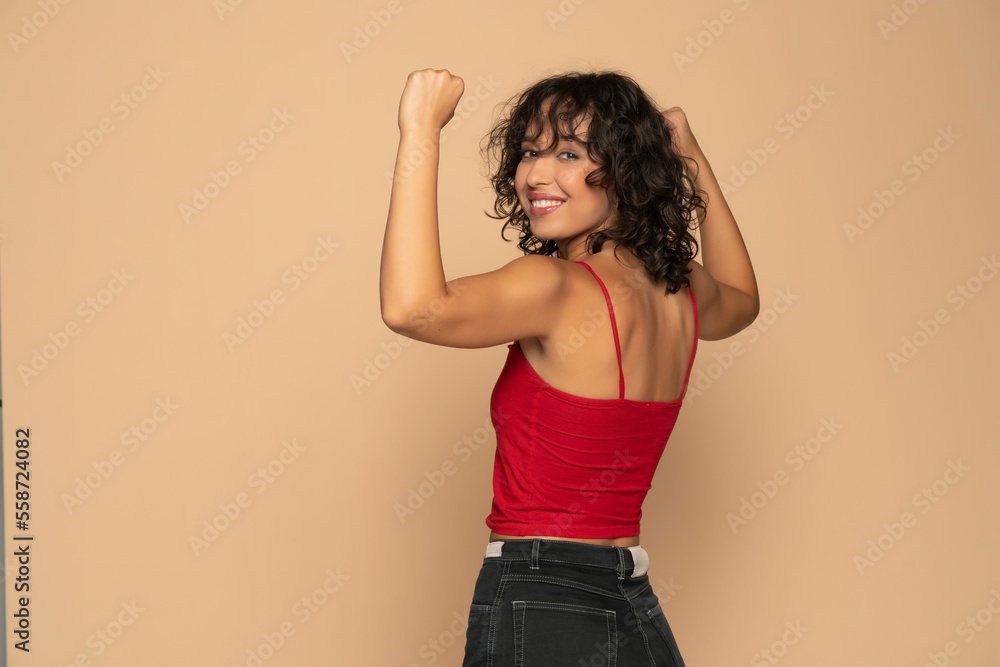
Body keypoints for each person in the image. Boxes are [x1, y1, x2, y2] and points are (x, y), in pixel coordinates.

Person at [381, 67, 758, 666]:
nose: (535, 174)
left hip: (539, 596)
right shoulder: (681, 288)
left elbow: (411, 309)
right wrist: (689, 155)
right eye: (530, 152)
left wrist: (420, 130)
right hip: (630, 598)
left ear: (626, 170)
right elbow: (743, 299)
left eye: (568, 153)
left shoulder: (555, 286)